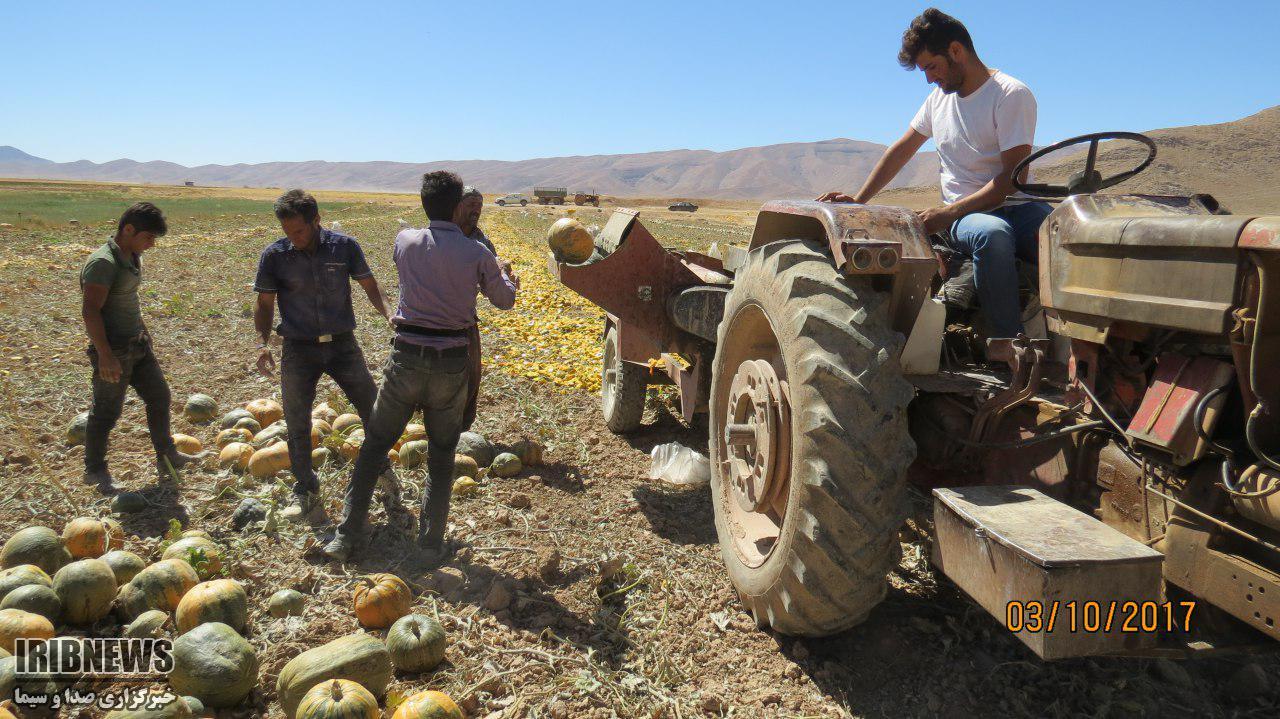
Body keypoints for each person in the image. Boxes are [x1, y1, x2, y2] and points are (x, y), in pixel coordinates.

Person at [819, 8, 1053, 338]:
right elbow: (901, 150)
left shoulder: (1010, 94)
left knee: (1064, 234)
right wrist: (859, 200)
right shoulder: (936, 102)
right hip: (968, 215)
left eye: (932, 66)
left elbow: (1011, 182)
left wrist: (944, 213)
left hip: (1014, 206)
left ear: (956, 51)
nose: (929, 78)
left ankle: (1083, 343)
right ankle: (1004, 342)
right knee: (993, 234)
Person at [325, 171, 519, 563]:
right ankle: (429, 546)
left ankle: (347, 536)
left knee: (375, 445)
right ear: (458, 207)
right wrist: (509, 278)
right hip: (451, 363)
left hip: (406, 358)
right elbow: (504, 301)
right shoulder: (478, 254)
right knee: (442, 455)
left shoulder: (405, 241)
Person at [253, 189, 399, 522]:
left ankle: (383, 472)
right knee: (296, 421)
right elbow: (264, 304)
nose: (294, 238)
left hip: (342, 345)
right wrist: (261, 344)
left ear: (316, 220)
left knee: (372, 410)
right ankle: (305, 490)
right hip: (298, 349)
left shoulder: (344, 247)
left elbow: (370, 285)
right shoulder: (275, 256)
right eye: (288, 232)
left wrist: (387, 313)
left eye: (299, 231)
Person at [80, 202, 201, 491]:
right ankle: (94, 469)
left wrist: (144, 332)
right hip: (115, 352)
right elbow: (90, 311)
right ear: (129, 229)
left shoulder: (131, 256)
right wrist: (106, 356)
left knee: (160, 396)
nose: (152, 245)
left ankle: (166, 455)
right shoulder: (103, 263)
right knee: (107, 412)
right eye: (148, 238)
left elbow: (128, 301)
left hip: (138, 346)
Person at [455, 186, 508, 431]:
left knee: (471, 379)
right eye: (471, 204)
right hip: (434, 317)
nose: (476, 209)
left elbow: (493, 285)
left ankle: (462, 430)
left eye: (480, 205)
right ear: (456, 206)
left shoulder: (482, 242)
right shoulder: (439, 236)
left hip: (465, 318)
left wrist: (505, 277)